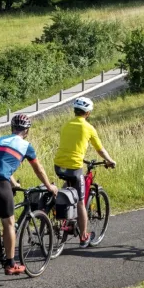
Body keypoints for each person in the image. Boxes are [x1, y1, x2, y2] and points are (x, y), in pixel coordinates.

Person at [0, 113, 58, 275]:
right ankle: (11, 264)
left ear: (12, 128)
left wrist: (14, 184)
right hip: (0, 183)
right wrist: (49, 186)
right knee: (9, 223)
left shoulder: (0, 140)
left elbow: (0, 164)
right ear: (26, 131)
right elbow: (39, 169)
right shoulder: (26, 146)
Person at [54, 97, 116, 248]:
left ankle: (62, 215)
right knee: (81, 201)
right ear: (88, 113)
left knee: (67, 189)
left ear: (75, 111)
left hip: (58, 165)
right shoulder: (88, 128)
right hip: (74, 167)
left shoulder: (66, 125)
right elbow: (99, 149)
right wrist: (110, 160)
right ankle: (83, 237)